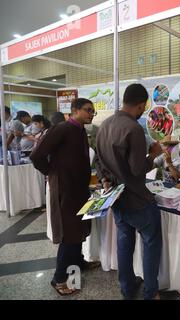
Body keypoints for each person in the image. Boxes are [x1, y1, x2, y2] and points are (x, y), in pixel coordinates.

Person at [95, 83, 163, 300]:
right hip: (137, 199)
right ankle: (150, 293)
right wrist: (153, 155)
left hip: (116, 198)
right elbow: (137, 170)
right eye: (144, 107)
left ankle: (126, 287)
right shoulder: (134, 129)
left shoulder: (104, 126)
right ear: (141, 105)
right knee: (151, 243)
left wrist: (106, 180)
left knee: (124, 241)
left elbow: (99, 161)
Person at [30, 98, 99, 296]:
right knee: (69, 235)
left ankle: (78, 262)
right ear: (74, 110)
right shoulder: (62, 129)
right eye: (88, 110)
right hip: (66, 192)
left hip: (79, 190)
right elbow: (37, 156)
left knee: (79, 230)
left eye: (92, 111)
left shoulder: (79, 130)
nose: (91, 114)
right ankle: (59, 278)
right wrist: (53, 173)